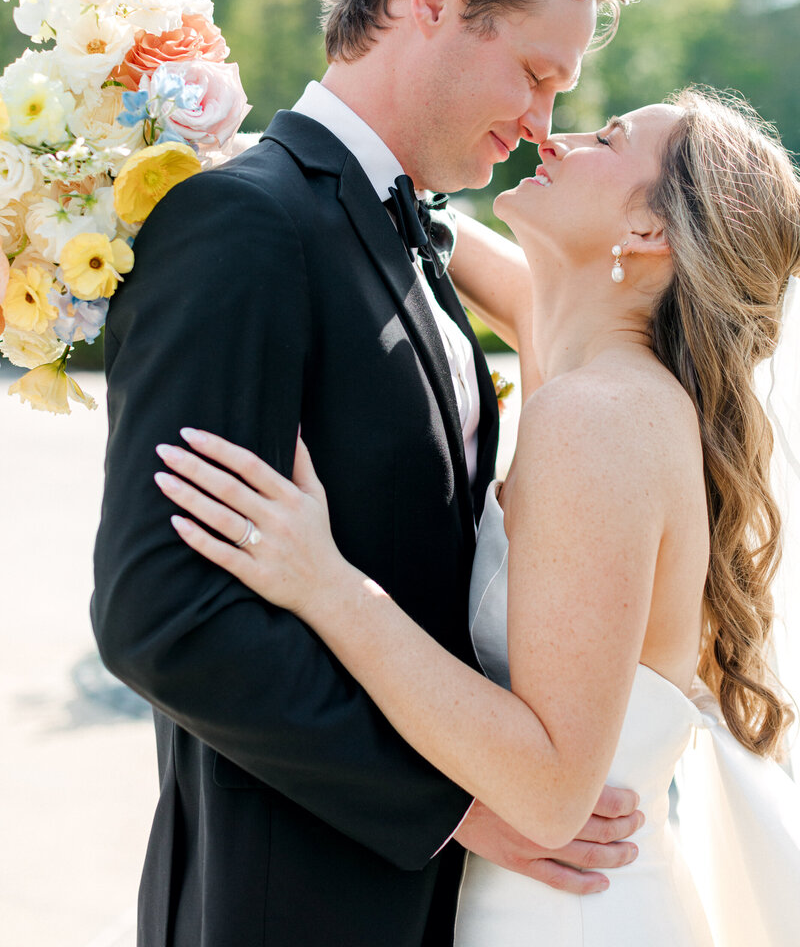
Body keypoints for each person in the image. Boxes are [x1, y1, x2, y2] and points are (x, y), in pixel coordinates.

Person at [91, 0, 642, 947]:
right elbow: (163, 615)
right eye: (534, 73)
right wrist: (456, 809)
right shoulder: (242, 225)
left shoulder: (412, 235)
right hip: (282, 899)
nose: (541, 122)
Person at [154, 87, 800, 945]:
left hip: (559, 915)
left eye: (606, 138)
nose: (555, 136)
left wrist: (325, 582)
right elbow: (441, 240)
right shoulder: (594, 365)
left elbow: (551, 793)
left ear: (648, 234)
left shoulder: (597, 416)